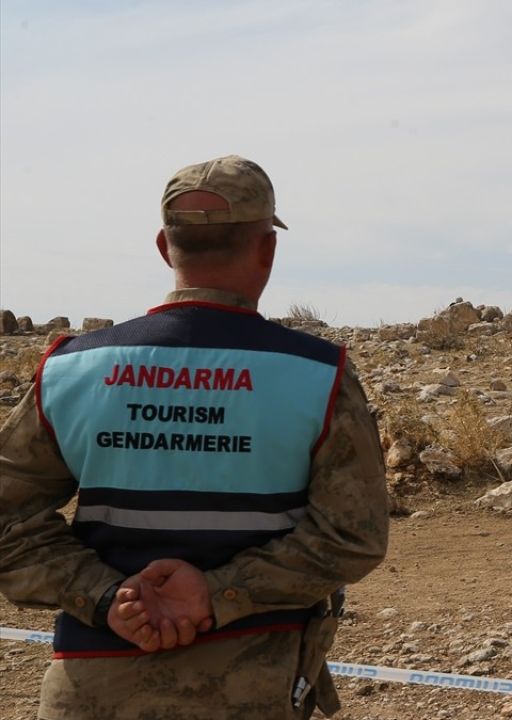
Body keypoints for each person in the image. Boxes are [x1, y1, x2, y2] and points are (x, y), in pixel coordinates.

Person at [0, 155, 389, 719]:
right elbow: (352, 536)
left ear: (165, 246)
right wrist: (220, 593)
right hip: (254, 685)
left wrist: (108, 596)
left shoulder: (70, 368)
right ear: (267, 250)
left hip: (91, 688)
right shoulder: (316, 375)